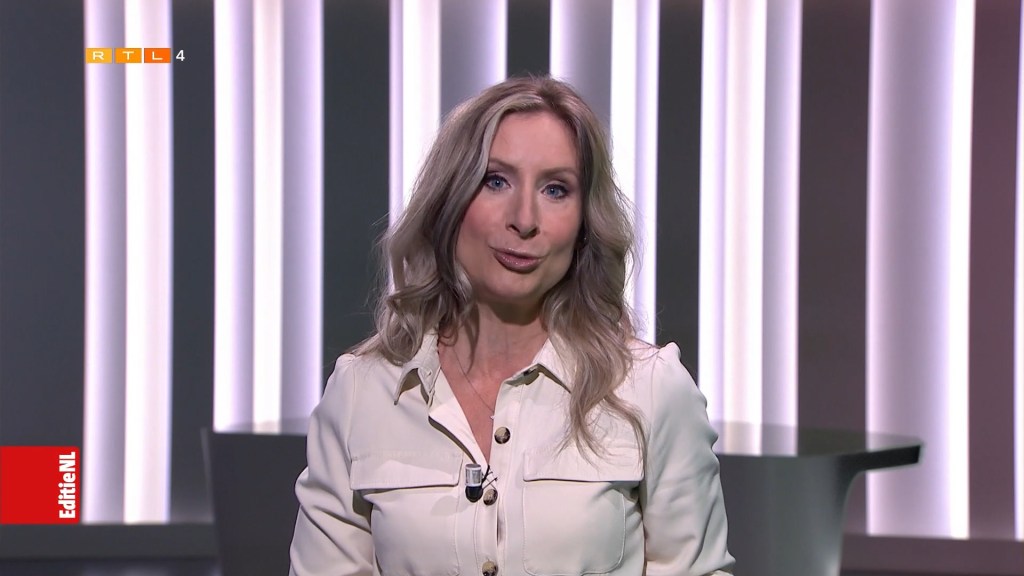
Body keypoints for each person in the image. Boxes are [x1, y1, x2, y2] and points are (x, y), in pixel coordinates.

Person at [289, 76, 734, 576]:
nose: (524, 219)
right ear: (450, 200)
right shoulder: (361, 392)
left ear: (584, 223)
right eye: (496, 181)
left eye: (556, 189)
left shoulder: (650, 390)